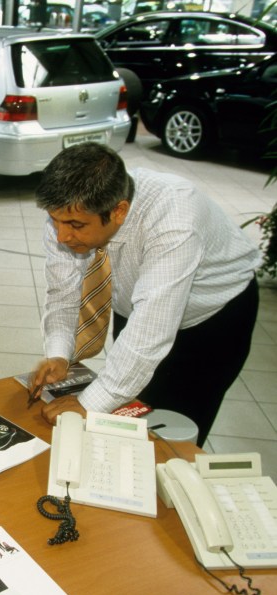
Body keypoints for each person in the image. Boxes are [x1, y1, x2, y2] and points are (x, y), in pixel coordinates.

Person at [31, 142, 260, 444]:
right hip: (138, 304)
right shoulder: (70, 212)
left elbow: (149, 334)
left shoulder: (175, 220)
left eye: (74, 225)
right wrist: (59, 353)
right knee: (128, 411)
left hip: (212, 321)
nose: (61, 236)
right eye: (54, 221)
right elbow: (62, 292)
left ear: (119, 211)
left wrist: (86, 405)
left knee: (171, 434)